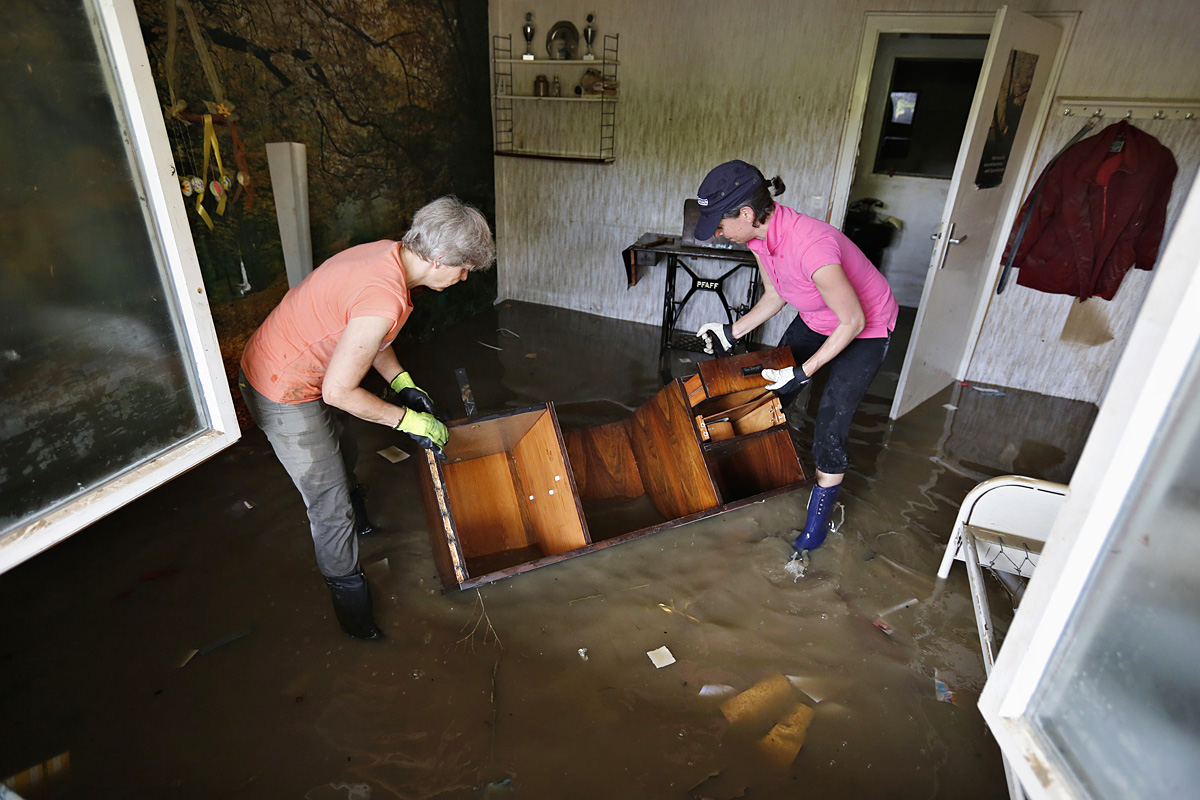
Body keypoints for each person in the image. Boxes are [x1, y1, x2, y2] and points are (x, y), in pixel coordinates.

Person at [238, 196, 495, 639]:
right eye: (464, 267)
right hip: (282, 384)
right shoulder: (385, 295)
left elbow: (369, 337)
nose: (465, 276)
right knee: (328, 502)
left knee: (346, 446)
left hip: (307, 365)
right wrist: (407, 421)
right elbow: (339, 392)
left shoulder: (388, 255)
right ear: (438, 260)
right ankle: (353, 611)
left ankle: (361, 521)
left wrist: (402, 382)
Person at [693, 161, 897, 552]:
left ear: (747, 214)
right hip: (818, 316)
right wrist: (730, 332)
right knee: (769, 396)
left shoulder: (810, 246)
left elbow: (852, 320)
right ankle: (751, 481)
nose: (717, 234)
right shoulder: (756, 239)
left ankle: (816, 528)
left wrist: (803, 372)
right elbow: (776, 294)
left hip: (865, 327)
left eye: (719, 224)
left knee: (829, 425)